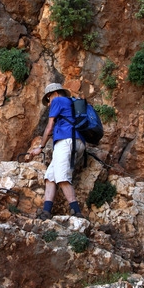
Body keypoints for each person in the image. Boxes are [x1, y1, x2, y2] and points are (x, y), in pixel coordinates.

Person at [28, 83, 86, 219]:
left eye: (48, 100)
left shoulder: (58, 100)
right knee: (50, 176)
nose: (48, 104)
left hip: (66, 141)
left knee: (61, 177)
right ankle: (46, 211)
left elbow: (49, 128)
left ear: (52, 94)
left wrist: (40, 147)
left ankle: (77, 212)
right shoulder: (69, 103)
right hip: (77, 142)